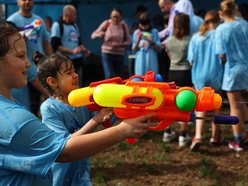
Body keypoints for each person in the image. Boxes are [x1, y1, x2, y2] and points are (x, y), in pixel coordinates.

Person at [0, 21, 155, 185]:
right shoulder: (15, 120)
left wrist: (130, 106)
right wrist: (123, 130)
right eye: (19, 55)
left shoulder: (10, 106)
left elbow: (107, 117)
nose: (28, 63)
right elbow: (64, 151)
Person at [33, 51, 113, 185]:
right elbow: (64, 145)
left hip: (82, 173)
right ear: (52, 82)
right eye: (69, 73)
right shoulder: (50, 108)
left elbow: (101, 120)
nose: (76, 75)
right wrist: (96, 120)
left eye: (74, 71)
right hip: (59, 177)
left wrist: (106, 114)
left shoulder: (82, 101)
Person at [187, 10, 224, 151]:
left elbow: (191, 61)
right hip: (215, 74)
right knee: (216, 106)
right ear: (218, 21)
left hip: (199, 76)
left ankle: (198, 136)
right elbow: (222, 56)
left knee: (200, 106)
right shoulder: (218, 36)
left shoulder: (196, 37)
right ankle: (216, 136)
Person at [7, 0, 51, 115]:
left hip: (39, 67)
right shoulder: (11, 21)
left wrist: (51, 60)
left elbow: (46, 42)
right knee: (25, 104)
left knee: (36, 101)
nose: (27, 2)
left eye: (30, 0)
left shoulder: (39, 20)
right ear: (17, 2)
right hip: (21, 70)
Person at [215, 0, 248, 152]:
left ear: (221, 13)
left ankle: (238, 140)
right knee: (242, 103)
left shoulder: (221, 30)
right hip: (246, 67)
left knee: (234, 106)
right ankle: (246, 132)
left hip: (232, 70)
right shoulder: (244, 24)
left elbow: (221, 54)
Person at [164, 13, 192, 147]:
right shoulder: (190, 40)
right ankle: (183, 134)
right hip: (185, 73)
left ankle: (167, 131)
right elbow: (191, 60)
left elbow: (170, 57)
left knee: (170, 104)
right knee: (185, 105)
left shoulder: (168, 41)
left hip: (172, 73)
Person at [51, 5, 90, 87]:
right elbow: (55, 45)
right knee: (67, 85)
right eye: (74, 14)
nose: (76, 16)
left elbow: (79, 42)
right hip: (65, 62)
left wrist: (85, 50)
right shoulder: (57, 25)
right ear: (68, 14)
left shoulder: (75, 26)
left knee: (78, 83)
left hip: (78, 60)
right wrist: (71, 51)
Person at [91, 8, 131, 79]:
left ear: (121, 17)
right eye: (113, 17)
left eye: (117, 17)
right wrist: (99, 34)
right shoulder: (107, 23)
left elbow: (129, 41)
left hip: (119, 55)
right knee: (109, 75)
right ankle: (108, 89)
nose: (115, 19)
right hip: (107, 54)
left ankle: (117, 90)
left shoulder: (124, 26)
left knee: (119, 77)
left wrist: (120, 45)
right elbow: (93, 35)